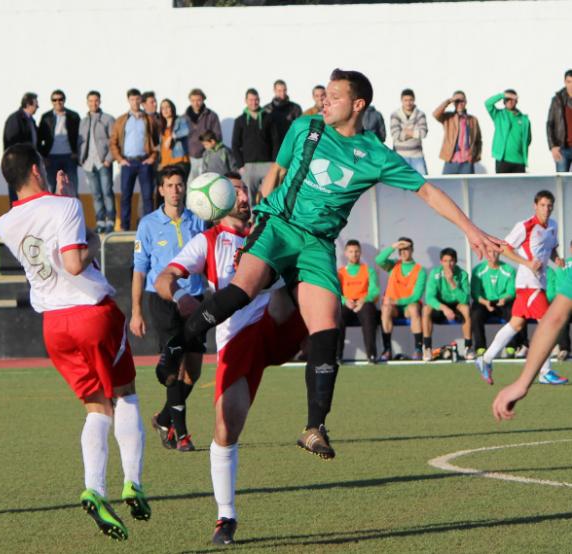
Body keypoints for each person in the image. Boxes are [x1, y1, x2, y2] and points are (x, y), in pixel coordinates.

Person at [155, 69, 501, 460]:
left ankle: (314, 427)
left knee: (327, 325)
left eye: (334, 96)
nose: (325, 100)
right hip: (279, 226)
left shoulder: (375, 154)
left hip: (317, 243)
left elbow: (426, 190)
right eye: (325, 94)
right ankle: (177, 344)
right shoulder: (305, 127)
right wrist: (256, 227)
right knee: (241, 290)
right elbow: (276, 175)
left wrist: (471, 230)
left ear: (358, 105)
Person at [0, 144, 149, 541]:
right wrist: (85, 229)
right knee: (125, 393)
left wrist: (63, 205)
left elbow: (44, 239)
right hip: (90, 314)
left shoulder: (5, 223)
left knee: (96, 406)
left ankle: (94, 489)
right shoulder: (66, 208)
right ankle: (132, 481)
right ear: (36, 168)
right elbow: (75, 263)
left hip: (53, 326)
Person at [153, 174, 307, 545]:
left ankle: (319, 372)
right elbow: (164, 278)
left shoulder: (269, 229)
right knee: (226, 428)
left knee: (298, 287)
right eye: (234, 190)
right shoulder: (207, 241)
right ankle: (226, 517)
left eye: (244, 190)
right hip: (237, 339)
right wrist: (179, 297)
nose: (242, 195)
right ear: (215, 200)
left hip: (271, 324)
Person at [131, 165, 205, 452]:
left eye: (179, 185)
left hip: (195, 299)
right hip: (162, 302)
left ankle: (163, 418)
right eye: (169, 185)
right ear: (160, 190)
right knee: (174, 364)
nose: (175, 190)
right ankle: (181, 434)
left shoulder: (198, 221)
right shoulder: (148, 224)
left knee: (194, 371)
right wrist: (136, 311)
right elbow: (139, 269)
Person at [476, 190, 567, 386]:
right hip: (528, 284)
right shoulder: (525, 226)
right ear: (535, 206)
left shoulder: (553, 225)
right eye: (542, 205)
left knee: (516, 324)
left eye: (549, 205)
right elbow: (505, 248)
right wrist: (526, 263)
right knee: (548, 324)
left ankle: (485, 359)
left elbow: (550, 249)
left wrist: (556, 259)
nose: (546, 209)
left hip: (538, 283)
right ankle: (545, 371)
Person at [492, 272, 572, 422]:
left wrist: (523, 383)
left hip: (532, 290)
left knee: (524, 323)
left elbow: (555, 319)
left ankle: (487, 358)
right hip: (528, 289)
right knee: (517, 324)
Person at [110, 88, 158, 228]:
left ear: (141, 101)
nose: (135, 102)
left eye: (137, 99)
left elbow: (156, 142)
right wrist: (120, 159)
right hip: (128, 162)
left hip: (144, 161)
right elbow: (113, 142)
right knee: (126, 197)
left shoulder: (148, 119)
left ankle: (149, 227)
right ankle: (125, 226)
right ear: (128, 100)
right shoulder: (121, 120)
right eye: (132, 99)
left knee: (148, 196)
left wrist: (152, 157)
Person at [376, 237, 426, 361]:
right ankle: (387, 350)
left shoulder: (420, 270)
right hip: (393, 308)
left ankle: (418, 349)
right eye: (400, 250)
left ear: (412, 250)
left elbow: (416, 296)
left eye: (406, 249)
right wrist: (393, 246)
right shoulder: (393, 265)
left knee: (414, 308)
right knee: (385, 309)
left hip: (408, 306)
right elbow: (379, 260)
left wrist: (397, 301)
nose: (403, 252)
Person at [423, 247, 473, 361]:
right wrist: (444, 308)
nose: (448, 264)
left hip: (457, 305)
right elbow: (429, 298)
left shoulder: (463, 274)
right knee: (426, 309)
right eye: (445, 261)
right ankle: (427, 348)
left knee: (466, 309)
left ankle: (468, 347)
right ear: (441, 262)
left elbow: (465, 299)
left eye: (451, 261)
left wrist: (451, 282)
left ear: (455, 261)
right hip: (441, 307)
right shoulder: (435, 274)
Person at [470, 249, 521, 357]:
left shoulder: (508, 269)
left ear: (499, 253)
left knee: (514, 312)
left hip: (503, 301)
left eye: (495, 252)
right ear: (485, 254)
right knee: (475, 314)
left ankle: (511, 347)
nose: (492, 254)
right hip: (485, 302)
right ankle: (480, 348)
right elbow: (475, 292)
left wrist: (504, 299)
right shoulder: (478, 270)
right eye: (489, 252)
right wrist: (485, 302)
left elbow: (511, 291)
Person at [79, 91, 115, 234]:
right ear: (87, 102)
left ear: (100, 102)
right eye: (91, 101)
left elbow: (114, 141)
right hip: (88, 163)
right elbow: (80, 141)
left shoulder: (107, 119)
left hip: (103, 162)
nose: (93, 103)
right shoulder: (83, 121)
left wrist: (109, 159)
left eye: (96, 101)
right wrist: (81, 159)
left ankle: (110, 221)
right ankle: (100, 221)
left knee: (107, 192)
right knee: (96, 194)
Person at [337, 239, 379, 362]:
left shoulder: (368, 270)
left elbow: (374, 290)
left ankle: (371, 355)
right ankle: (337, 356)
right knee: (337, 316)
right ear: (346, 253)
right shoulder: (340, 272)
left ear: (360, 253)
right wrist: (345, 301)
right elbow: (336, 292)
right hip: (347, 304)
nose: (354, 254)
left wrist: (363, 300)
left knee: (369, 313)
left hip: (363, 304)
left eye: (356, 251)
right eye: (351, 251)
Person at [231, 88, 273, 209]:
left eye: (256, 99)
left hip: (267, 164)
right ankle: (251, 220)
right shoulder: (240, 121)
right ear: (246, 101)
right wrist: (240, 165)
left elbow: (275, 141)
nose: (254, 102)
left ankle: (267, 219)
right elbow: (235, 144)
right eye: (251, 100)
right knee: (249, 196)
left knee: (269, 195)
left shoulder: (268, 118)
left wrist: (275, 163)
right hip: (248, 166)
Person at [38, 89, 80, 193]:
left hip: (69, 156)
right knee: (51, 186)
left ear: (64, 100)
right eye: (54, 100)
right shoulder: (46, 117)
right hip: (51, 157)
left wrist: (76, 153)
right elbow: (40, 138)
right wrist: (44, 156)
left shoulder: (73, 116)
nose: (57, 102)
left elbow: (80, 136)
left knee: (72, 187)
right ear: (51, 101)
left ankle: (73, 208)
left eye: (60, 99)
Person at [432, 91, 482, 174]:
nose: (459, 103)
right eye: (457, 101)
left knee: (468, 186)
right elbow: (435, 114)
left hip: (467, 161)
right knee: (447, 186)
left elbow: (478, 140)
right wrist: (449, 101)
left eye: (461, 101)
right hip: (451, 160)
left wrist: (475, 156)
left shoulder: (473, 119)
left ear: (465, 102)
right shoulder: (448, 118)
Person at [3, 92, 40, 203]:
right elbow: (12, 144)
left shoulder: (30, 120)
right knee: (17, 195)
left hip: (27, 164)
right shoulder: (15, 119)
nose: (38, 107)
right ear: (28, 105)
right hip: (18, 165)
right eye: (36, 104)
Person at [485, 89, 531, 173]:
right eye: (507, 99)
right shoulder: (498, 115)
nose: (509, 101)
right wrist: (503, 95)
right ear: (504, 101)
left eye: (512, 99)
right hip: (502, 160)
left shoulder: (524, 119)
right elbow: (488, 103)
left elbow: (528, 139)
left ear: (516, 101)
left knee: (519, 186)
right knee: (502, 186)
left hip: (519, 161)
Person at [185, 88, 222, 182]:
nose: (196, 103)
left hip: (206, 156)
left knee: (205, 182)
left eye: (198, 100)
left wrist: (210, 145)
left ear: (203, 100)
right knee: (190, 184)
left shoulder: (212, 116)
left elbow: (218, 136)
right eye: (193, 100)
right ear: (190, 101)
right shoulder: (184, 117)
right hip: (190, 158)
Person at [390, 88, 428, 174]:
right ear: (401, 100)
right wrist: (414, 132)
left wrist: (405, 131)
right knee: (400, 185)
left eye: (410, 100)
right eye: (405, 100)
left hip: (417, 155)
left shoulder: (420, 114)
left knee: (422, 183)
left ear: (414, 100)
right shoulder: (395, 115)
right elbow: (396, 135)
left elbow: (423, 133)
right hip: (400, 156)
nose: (408, 103)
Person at [264, 79, 302, 158]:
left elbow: (299, 130)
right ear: (274, 91)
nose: (283, 93)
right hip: (272, 151)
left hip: (291, 149)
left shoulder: (295, 108)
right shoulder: (267, 110)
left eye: (284, 90)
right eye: (279, 91)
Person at [546, 69, 572, 172]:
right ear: (565, 82)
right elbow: (550, 124)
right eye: (569, 82)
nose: (571, 85)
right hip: (562, 149)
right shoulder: (557, 100)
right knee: (561, 183)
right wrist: (553, 146)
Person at [158, 98, 190, 178]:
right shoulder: (162, 126)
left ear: (172, 108)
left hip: (178, 160)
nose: (165, 110)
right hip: (165, 163)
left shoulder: (179, 120)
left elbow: (186, 131)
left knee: (179, 187)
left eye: (167, 107)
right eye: (163, 108)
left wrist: (172, 136)